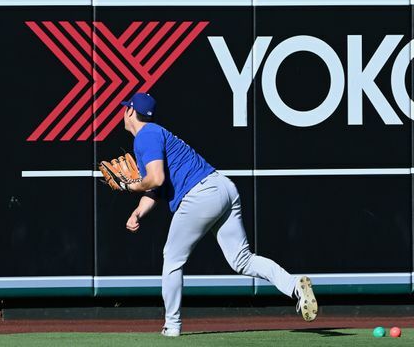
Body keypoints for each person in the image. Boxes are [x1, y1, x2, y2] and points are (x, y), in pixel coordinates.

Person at [120, 92, 318, 337]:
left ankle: (172, 325)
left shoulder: (146, 136)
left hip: (199, 195)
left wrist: (130, 186)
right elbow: (155, 188)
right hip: (223, 187)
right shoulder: (155, 134)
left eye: (124, 108)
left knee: (172, 258)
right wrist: (138, 212)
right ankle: (294, 285)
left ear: (129, 111)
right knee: (242, 260)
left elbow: (155, 178)